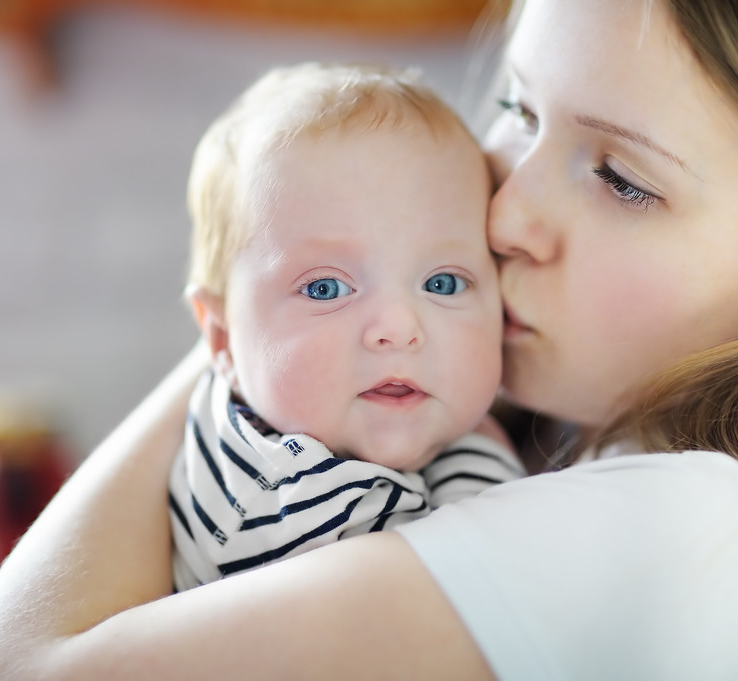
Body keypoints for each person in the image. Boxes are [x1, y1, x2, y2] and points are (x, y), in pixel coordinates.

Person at [0, 0, 738, 679]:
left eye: (621, 179)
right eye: (521, 110)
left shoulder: (689, 526)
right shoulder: (520, 454)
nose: (504, 213)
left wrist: (260, 308)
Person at [169, 62, 522, 590]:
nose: (399, 329)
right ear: (222, 340)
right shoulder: (296, 514)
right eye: (326, 289)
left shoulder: (305, 416)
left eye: (443, 283)